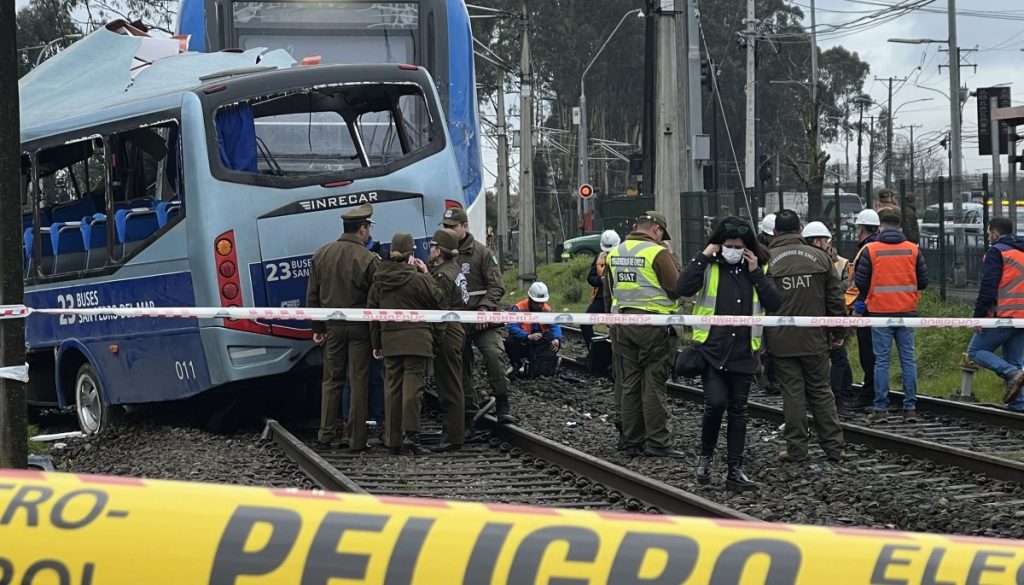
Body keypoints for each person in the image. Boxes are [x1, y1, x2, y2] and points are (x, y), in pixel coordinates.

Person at [679, 217, 781, 490]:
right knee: (714, 405)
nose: (733, 250)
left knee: (739, 411)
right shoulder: (709, 266)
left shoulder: (759, 267)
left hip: (744, 352)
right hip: (712, 350)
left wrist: (755, 272)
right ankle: (705, 459)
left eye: (738, 246)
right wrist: (704, 256)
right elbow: (682, 287)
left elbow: (774, 302)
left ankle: (735, 469)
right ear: (719, 245)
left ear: (748, 247)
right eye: (728, 245)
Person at [767, 209, 846, 462]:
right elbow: (835, 300)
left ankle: (797, 450)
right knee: (821, 391)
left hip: (781, 341)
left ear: (775, 232)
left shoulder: (768, 260)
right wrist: (838, 332)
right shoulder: (821, 258)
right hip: (815, 339)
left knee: (792, 393)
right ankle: (834, 448)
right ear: (800, 230)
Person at [604, 210, 684, 458]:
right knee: (653, 384)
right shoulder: (657, 253)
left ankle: (632, 440)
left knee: (629, 383)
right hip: (654, 326)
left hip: (623, 325)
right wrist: (673, 256)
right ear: (658, 231)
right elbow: (676, 289)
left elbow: (609, 292)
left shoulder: (615, 253)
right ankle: (657, 441)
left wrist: (611, 321)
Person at [306, 203, 379, 451]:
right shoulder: (369, 259)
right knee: (358, 381)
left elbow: (312, 296)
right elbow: (375, 300)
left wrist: (318, 327)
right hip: (360, 329)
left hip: (332, 328)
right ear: (361, 229)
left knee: (331, 380)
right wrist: (376, 336)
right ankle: (356, 438)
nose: (369, 231)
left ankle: (326, 434)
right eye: (368, 227)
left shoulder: (321, 255)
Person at [368, 232, 442, 455]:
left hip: (389, 339)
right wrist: (427, 274)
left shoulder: (379, 281)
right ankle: (411, 435)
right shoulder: (418, 279)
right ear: (411, 253)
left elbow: (372, 314)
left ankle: (392, 439)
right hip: (417, 341)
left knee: (392, 388)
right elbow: (438, 300)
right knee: (413, 389)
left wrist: (376, 343)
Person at [854, 206, 929, 424]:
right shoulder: (913, 250)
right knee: (908, 360)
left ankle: (880, 408)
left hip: (880, 312)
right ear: (900, 227)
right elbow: (923, 281)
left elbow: (861, 282)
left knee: (882, 361)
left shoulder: (871, 250)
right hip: (907, 311)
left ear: (880, 227)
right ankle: (910, 408)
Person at [444, 206, 514, 427]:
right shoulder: (443, 254)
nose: (448, 231)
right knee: (460, 366)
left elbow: (496, 286)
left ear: (464, 226)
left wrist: (485, 309)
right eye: (445, 227)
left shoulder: (482, 253)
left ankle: (503, 403)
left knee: (494, 356)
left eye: (452, 227)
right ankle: (468, 412)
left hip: (483, 321)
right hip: (457, 323)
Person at [967, 216, 1024, 412]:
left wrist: (979, 316)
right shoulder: (1021, 252)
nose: (988, 236)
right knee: (1014, 359)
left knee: (976, 352)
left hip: (1003, 315)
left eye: (988, 232)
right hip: (1022, 318)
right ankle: (1019, 407)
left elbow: (988, 287)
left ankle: (1011, 373)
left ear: (994, 233)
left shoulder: (996, 252)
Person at [803, 221, 857, 417]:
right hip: (817, 316)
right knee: (822, 359)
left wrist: (828, 291)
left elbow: (848, 285)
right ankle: (826, 399)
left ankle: (840, 396)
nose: (825, 243)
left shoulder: (842, 263)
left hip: (836, 314)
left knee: (839, 357)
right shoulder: (806, 261)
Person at [428, 228, 470, 451]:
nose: (430, 250)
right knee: (454, 382)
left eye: (433, 246)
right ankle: (454, 433)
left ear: (440, 251)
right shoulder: (455, 270)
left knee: (450, 386)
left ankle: (452, 437)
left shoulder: (443, 275)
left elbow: (441, 310)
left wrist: (436, 338)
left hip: (448, 332)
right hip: (458, 328)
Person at [846, 209, 881, 411]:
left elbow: (863, 283)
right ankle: (875, 393)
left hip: (867, 309)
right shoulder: (879, 246)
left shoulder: (867, 249)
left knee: (868, 355)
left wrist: (858, 308)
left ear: (861, 228)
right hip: (887, 308)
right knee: (878, 355)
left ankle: (869, 395)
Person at [505, 282, 562, 377]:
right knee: (510, 341)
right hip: (524, 340)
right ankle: (517, 364)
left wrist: (556, 339)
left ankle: (544, 364)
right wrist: (527, 336)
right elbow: (512, 326)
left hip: (540, 341)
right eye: (537, 303)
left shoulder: (547, 310)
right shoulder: (519, 308)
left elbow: (555, 325)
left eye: (541, 303)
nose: (540, 305)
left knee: (553, 340)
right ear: (530, 298)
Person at [581, 230, 621, 350]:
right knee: (585, 323)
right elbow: (590, 278)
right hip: (601, 299)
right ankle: (593, 350)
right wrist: (600, 280)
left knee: (619, 328)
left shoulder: (624, 257)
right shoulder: (600, 257)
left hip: (619, 299)